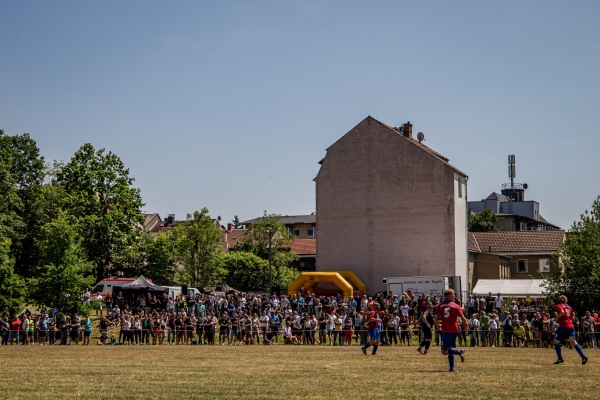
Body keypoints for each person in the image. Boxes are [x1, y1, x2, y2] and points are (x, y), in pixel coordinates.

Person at [434, 289, 468, 372]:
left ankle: (459, 352)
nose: (454, 297)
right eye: (453, 295)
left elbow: (435, 317)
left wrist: (438, 325)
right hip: (454, 329)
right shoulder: (456, 306)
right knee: (449, 349)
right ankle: (452, 367)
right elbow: (463, 318)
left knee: (444, 351)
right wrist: (466, 324)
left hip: (446, 330)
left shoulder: (439, 305)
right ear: (449, 296)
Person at [552, 295, 588, 365]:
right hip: (570, 325)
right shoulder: (569, 307)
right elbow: (573, 315)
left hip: (563, 326)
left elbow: (562, 312)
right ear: (566, 300)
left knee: (556, 341)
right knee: (574, 342)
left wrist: (557, 318)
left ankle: (560, 358)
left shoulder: (559, 305)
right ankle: (583, 357)